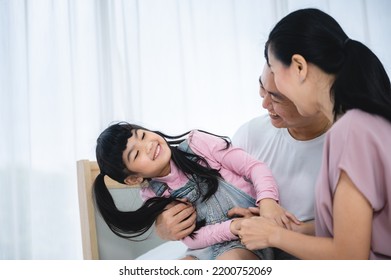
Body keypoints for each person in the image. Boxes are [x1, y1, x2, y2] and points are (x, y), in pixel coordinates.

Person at [234, 8, 391, 259]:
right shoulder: (369, 121)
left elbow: (350, 257)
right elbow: (363, 227)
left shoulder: (350, 131)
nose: (268, 98)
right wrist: (297, 228)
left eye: (275, 71)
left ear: (299, 66)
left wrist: (273, 236)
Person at [154, 63, 331, 259]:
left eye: (276, 97)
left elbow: (347, 233)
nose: (264, 104)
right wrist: (164, 226)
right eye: (262, 88)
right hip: (233, 236)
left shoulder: (347, 147)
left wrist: (278, 229)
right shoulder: (252, 132)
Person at [93, 122, 298, 260]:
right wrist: (232, 227)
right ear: (134, 178)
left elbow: (255, 167)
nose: (148, 145)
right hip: (208, 246)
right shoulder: (152, 194)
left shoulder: (197, 144)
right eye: (136, 153)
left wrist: (268, 202)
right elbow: (192, 237)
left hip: (250, 235)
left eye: (143, 136)